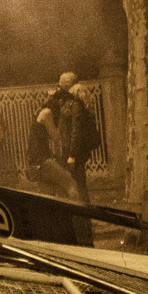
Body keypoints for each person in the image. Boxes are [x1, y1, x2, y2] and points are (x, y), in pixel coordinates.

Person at [29, 72, 91, 203]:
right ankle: (80, 219)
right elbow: (56, 138)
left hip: (40, 157)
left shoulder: (44, 110)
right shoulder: (47, 113)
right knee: (71, 184)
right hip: (42, 158)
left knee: (54, 189)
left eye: (60, 86)